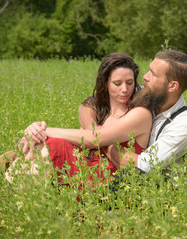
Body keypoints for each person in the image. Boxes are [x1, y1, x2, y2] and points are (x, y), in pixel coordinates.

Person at [26, 50, 187, 174]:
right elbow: (91, 103)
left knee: (52, 146)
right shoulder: (148, 94)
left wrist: (104, 140)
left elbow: (143, 167)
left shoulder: (184, 126)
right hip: (108, 169)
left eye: (153, 74)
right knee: (44, 146)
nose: (145, 77)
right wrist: (92, 128)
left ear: (172, 86)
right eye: (148, 70)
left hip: (151, 192)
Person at [10, 52, 152, 186]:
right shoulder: (99, 110)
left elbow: (94, 139)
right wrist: (37, 133)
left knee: (54, 145)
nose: (125, 89)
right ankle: (6, 189)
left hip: (107, 181)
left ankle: (11, 192)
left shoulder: (140, 113)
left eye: (129, 82)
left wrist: (44, 130)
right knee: (41, 143)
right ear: (106, 83)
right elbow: (87, 136)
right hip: (87, 169)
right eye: (117, 83)